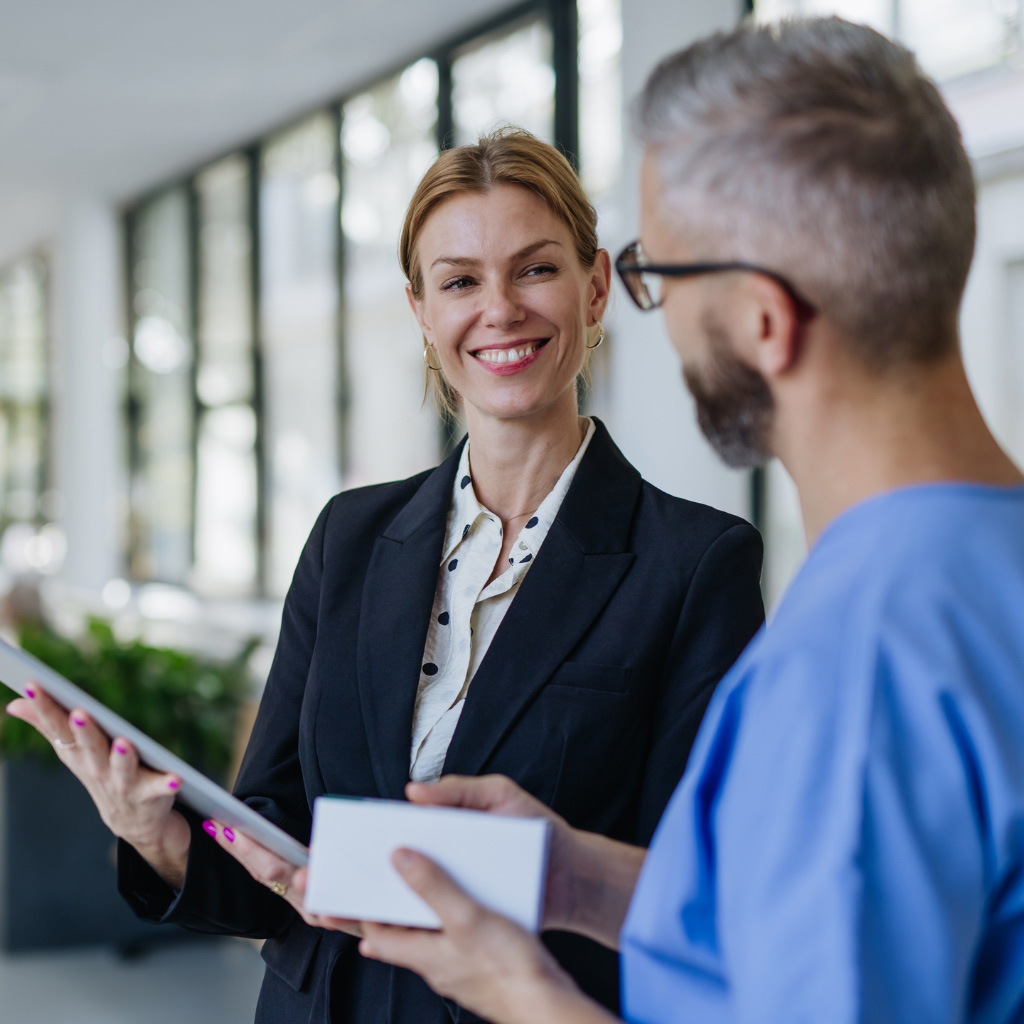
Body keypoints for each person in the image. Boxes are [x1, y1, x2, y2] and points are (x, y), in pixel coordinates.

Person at [348, 18, 1024, 1024]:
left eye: (654, 275)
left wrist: (521, 992)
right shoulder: (978, 567)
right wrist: (576, 878)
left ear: (762, 317)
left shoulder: (855, 661)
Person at [5, 129, 764, 1023]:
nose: (500, 310)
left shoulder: (695, 563)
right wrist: (157, 833)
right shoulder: (351, 538)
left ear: (596, 287)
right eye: (459, 281)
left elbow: (691, 889)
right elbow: (269, 843)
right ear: (420, 311)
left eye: (534, 270)